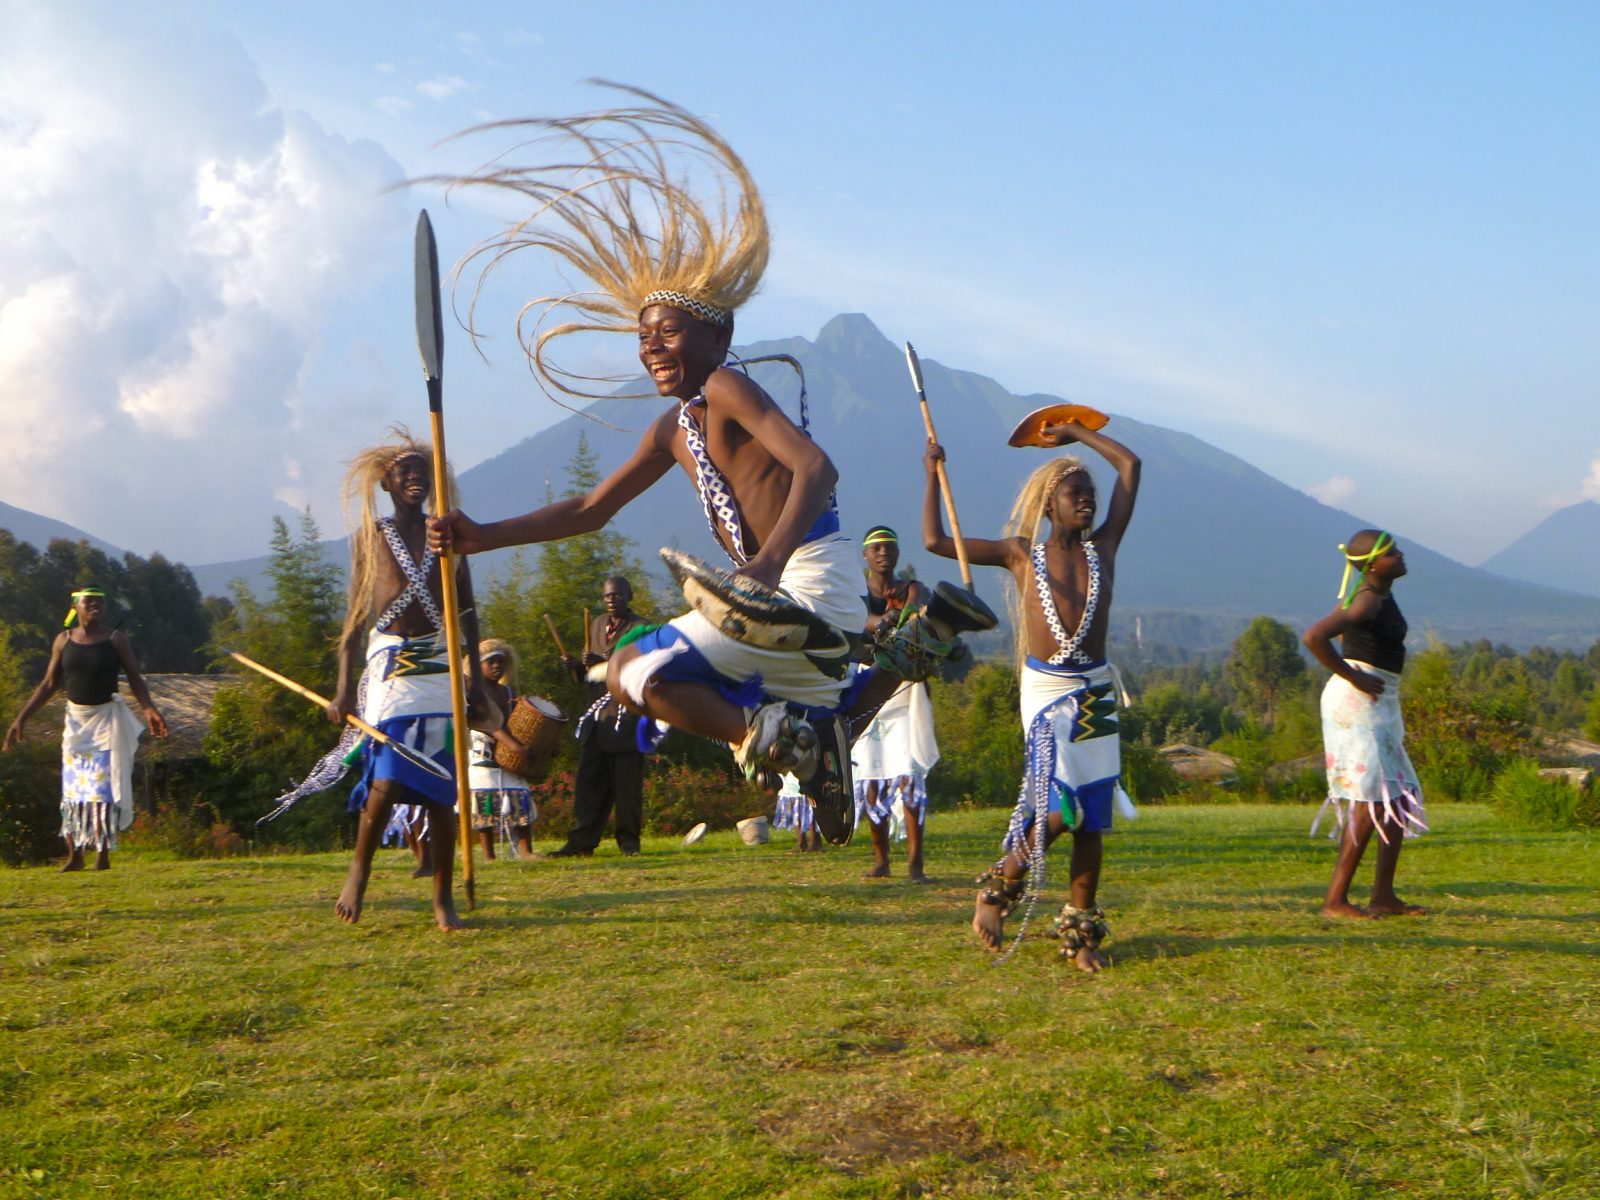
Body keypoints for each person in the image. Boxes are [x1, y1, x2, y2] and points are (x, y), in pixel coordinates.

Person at [424, 86, 991, 840]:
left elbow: (817, 469)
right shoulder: (672, 430)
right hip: (785, 597)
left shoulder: (725, 386)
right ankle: (903, 654)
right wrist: (481, 535)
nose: (651, 347)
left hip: (805, 579)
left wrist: (763, 567)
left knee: (633, 670)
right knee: (820, 708)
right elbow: (591, 509)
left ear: (716, 340)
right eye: (643, 337)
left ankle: (801, 728)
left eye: (667, 332)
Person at [924, 420, 1140, 970]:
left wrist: (1076, 432)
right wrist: (932, 474)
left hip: (1095, 689)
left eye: (1090, 493)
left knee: (1092, 818)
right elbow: (935, 541)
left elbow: (1130, 465)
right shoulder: (1021, 555)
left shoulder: (1104, 549)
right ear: (1049, 504)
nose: (1088, 500)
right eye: (1075, 493)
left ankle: (1082, 936)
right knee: (1064, 807)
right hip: (1047, 691)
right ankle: (999, 887)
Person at [264, 429, 488, 930]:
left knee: (443, 789)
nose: (414, 478)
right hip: (392, 665)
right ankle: (359, 873)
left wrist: (474, 679)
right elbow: (354, 617)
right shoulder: (372, 536)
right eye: (403, 472)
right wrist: (344, 690)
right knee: (386, 778)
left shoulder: (447, 531)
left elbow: (469, 612)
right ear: (386, 484)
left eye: (421, 471)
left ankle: (442, 898)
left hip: (440, 663)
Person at [1302, 530, 1427, 919]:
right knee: (1369, 799)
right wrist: (1353, 675)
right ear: (1372, 564)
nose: (1401, 555)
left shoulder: (1374, 594)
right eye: (1392, 552)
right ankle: (1335, 901)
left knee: (1397, 797)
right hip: (1358, 703)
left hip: (1378, 699)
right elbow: (1314, 637)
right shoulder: (1367, 598)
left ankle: (1383, 897)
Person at [4, 586, 168, 870]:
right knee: (74, 789)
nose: (95, 605)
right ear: (75, 607)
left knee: (101, 789)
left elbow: (134, 677)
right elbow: (49, 684)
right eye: (89, 601)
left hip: (105, 720)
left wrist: (149, 709)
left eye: (100, 602)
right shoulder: (63, 640)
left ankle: (102, 855)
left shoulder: (115, 640)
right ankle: (75, 855)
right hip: (76, 723)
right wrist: (21, 718)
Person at [852, 526, 939, 882]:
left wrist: (903, 612)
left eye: (889, 547)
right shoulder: (856, 594)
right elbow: (859, 622)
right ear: (866, 555)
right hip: (866, 688)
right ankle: (881, 861)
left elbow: (917, 614)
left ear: (898, 554)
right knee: (871, 777)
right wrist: (883, 620)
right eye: (876, 548)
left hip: (902, 689)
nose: (883, 553)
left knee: (909, 776)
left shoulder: (911, 589)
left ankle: (916, 864)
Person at [551, 576, 647, 857]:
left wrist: (605, 662)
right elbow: (588, 675)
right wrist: (575, 667)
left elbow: (640, 665)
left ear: (629, 596)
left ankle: (629, 843)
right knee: (588, 784)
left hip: (626, 719)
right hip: (595, 718)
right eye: (607, 596)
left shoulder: (641, 628)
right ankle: (581, 843)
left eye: (617, 595)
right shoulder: (596, 624)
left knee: (627, 788)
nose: (612, 600)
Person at [469, 639, 537, 859]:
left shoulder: (507, 692)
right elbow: (486, 721)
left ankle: (525, 851)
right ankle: (489, 855)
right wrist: (515, 746)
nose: (497, 666)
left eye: (500, 661)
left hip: (509, 755)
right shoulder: (473, 691)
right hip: (483, 752)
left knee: (519, 798)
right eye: (491, 662)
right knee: (485, 803)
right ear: (478, 665)